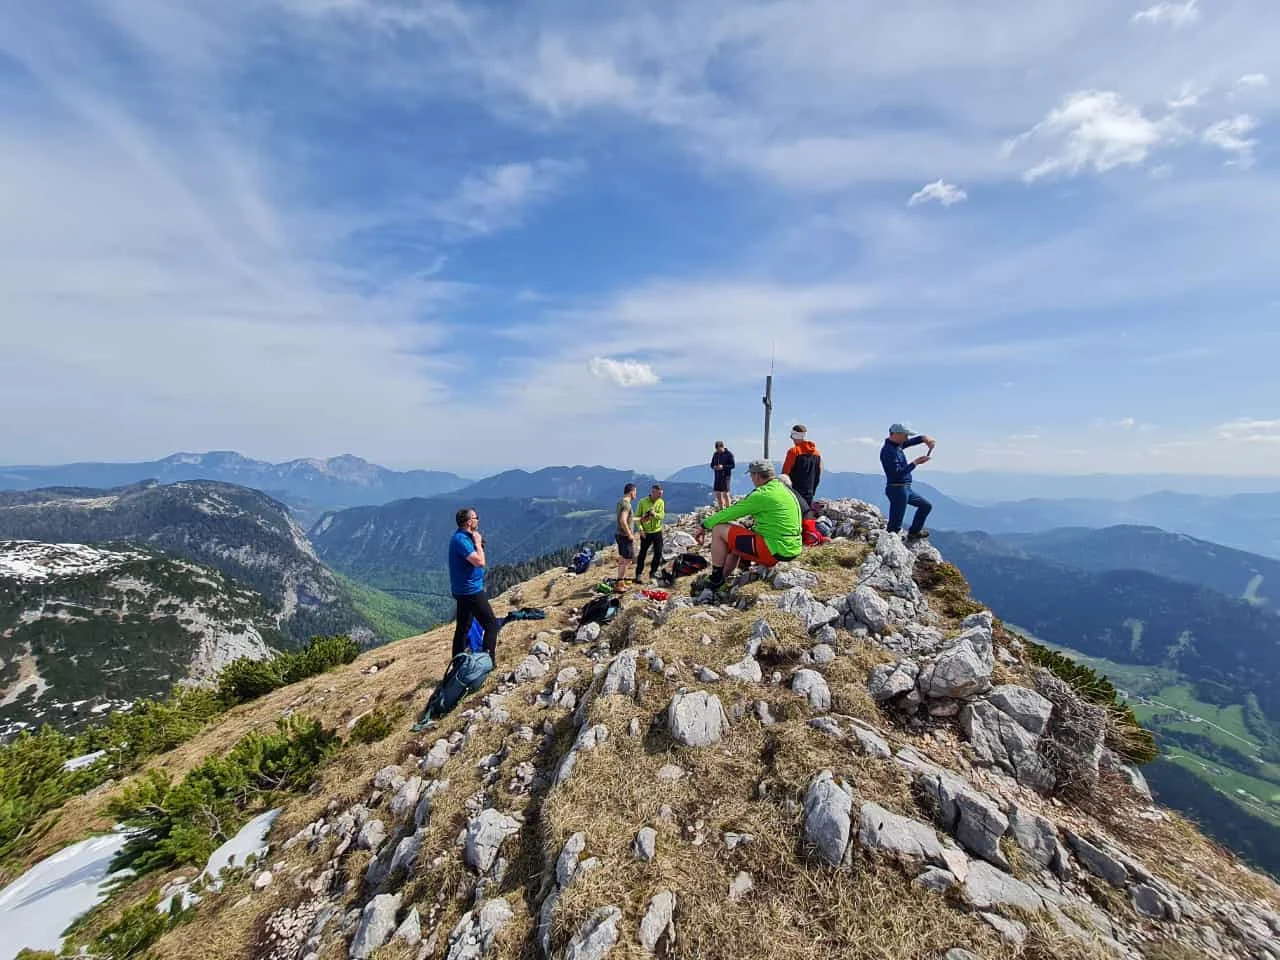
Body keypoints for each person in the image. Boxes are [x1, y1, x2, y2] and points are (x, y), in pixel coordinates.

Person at [696, 460, 802, 589]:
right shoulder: (784, 489)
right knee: (734, 539)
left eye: (751, 475)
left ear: (757, 475)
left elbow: (731, 512)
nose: (751, 479)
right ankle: (722, 579)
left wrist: (705, 525)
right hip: (792, 549)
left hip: (773, 550)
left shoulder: (762, 494)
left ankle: (716, 578)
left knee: (719, 529)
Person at [448, 507, 499, 659]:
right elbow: (480, 562)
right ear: (469, 522)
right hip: (470, 591)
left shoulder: (463, 537)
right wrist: (477, 542)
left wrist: (477, 542)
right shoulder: (461, 540)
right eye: (476, 518)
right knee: (491, 625)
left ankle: (458, 662)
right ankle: (488, 661)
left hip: (463, 590)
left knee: (463, 627)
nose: (478, 520)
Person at [880, 423, 937, 541]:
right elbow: (897, 473)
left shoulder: (897, 445)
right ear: (896, 434)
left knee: (926, 506)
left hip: (905, 488)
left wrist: (925, 439)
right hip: (897, 489)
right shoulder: (888, 451)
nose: (907, 438)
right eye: (905, 435)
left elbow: (911, 442)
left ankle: (914, 533)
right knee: (895, 525)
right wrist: (915, 463)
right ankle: (887, 545)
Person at [634, 483, 666, 583]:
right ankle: (638, 574)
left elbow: (662, 516)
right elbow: (637, 517)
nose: (660, 496)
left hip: (657, 531)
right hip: (646, 532)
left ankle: (653, 572)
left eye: (661, 494)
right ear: (653, 492)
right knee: (642, 553)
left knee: (658, 552)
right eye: (659, 494)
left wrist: (654, 514)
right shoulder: (642, 502)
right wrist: (640, 530)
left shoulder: (661, 502)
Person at [782, 424, 823, 504]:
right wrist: (812, 491)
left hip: (794, 494)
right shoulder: (817, 453)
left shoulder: (793, 452)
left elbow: (785, 474)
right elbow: (818, 474)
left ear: (794, 436)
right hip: (809, 493)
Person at [615, 483, 638, 586]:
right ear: (631, 492)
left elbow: (628, 518)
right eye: (635, 492)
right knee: (628, 560)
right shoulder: (627, 505)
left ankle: (619, 580)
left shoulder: (621, 502)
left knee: (622, 558)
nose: (635, 494)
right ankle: (620, 582)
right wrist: (629, 534)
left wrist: (641, 519)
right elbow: (623, 520)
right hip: (625, 536)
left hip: (619, 534)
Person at [710, 441, 736, 509]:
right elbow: (712, 464)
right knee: (718, 493)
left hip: (726, 476)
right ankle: (721, 509)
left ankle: (728, 509)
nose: (718, 451)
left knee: (725, 493)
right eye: (716, 449)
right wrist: (714, 467)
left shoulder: (729, 454)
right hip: (717, 476)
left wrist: (723, 467)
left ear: (722, 447)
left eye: (719, 449)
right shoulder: (715, 454)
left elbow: (732, 465)